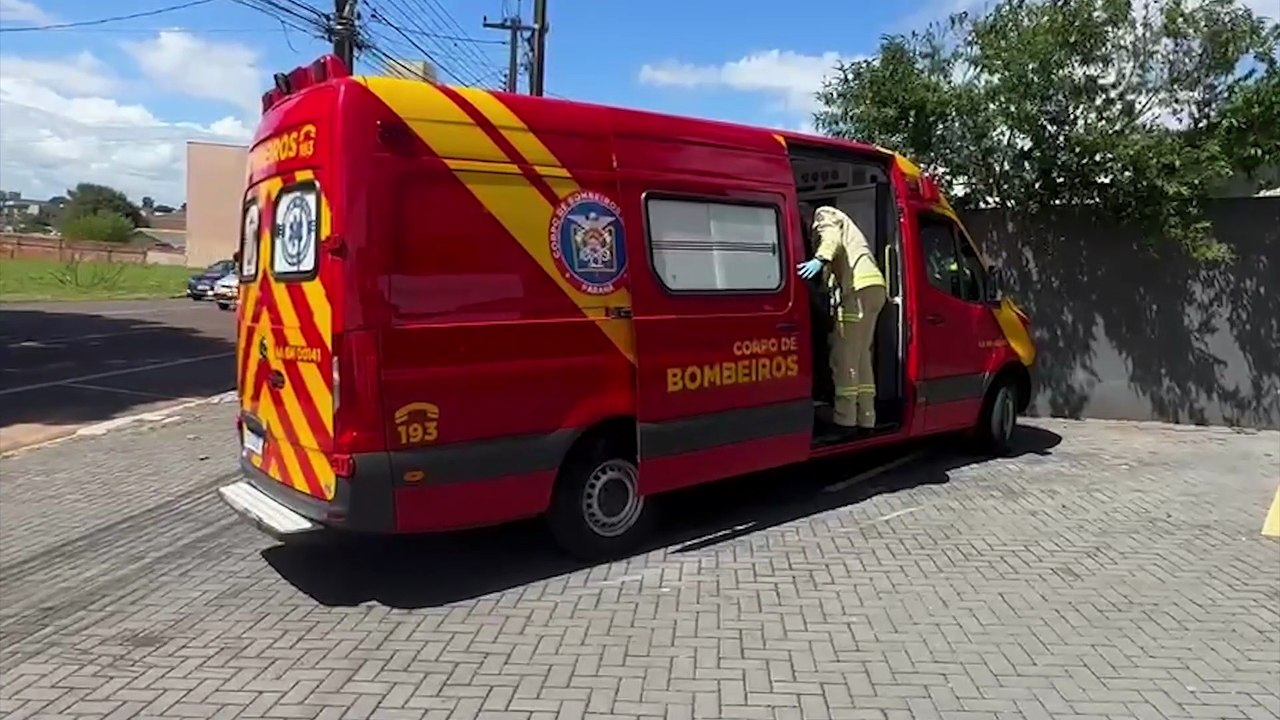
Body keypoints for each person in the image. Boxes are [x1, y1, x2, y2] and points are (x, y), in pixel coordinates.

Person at [796, 203, 887, 432]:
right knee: (861, 357)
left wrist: (820, 259)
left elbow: (831, 239)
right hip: (874, 288)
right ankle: (867, 418)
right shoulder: (847, 225)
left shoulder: (823, 214)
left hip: (856, 291)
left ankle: (844, 419)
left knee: (843, 356)